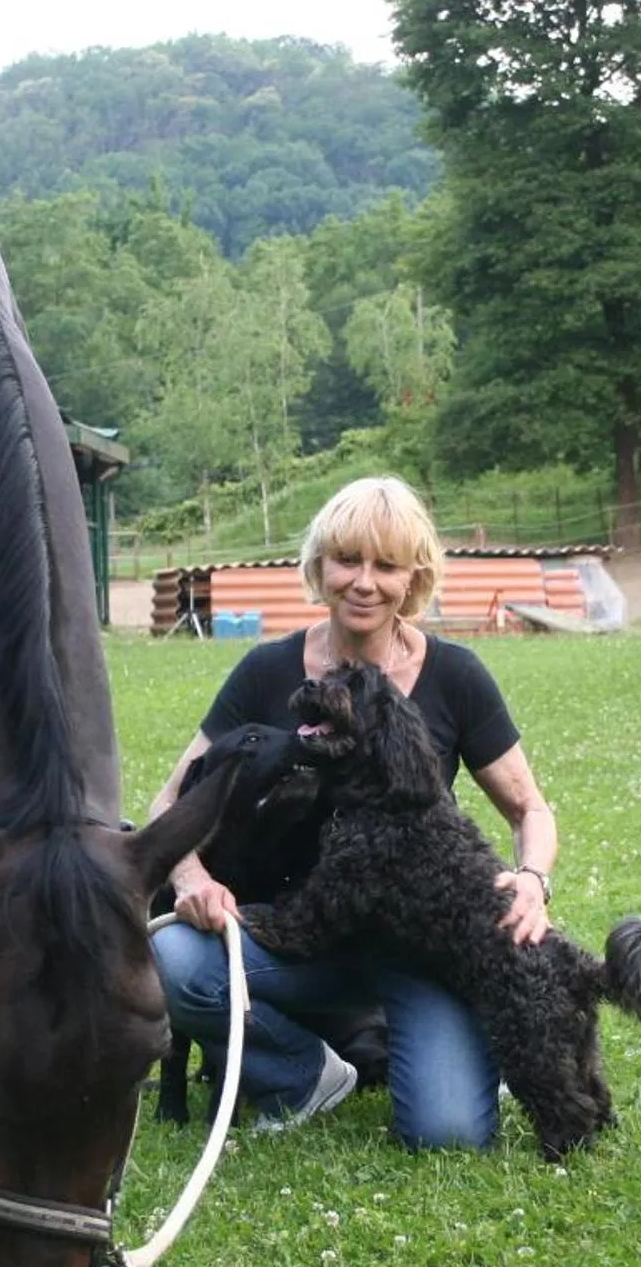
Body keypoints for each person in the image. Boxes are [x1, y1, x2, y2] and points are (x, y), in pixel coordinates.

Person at [147, 476, 559, 1148]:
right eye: (347, 561)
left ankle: (454, 1041)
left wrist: (533, 879)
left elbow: (528, 808)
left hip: (424, 950)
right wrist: (192, 879)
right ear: (320, 567)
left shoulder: (456, 676)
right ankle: (305, 1074)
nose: (364, 582)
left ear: (413, 579)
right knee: (175, 959)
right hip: (300, 934)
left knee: (448, 1134)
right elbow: (170, 802)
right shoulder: (266, 671)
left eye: (386, 565)